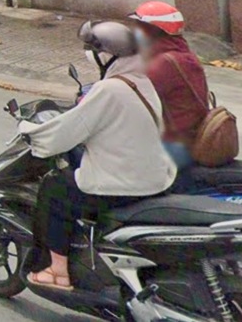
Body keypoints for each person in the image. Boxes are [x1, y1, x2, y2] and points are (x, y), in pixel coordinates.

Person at [19, 19, 177, 291]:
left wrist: (29, 131)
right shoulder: (141, 83)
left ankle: (57, 271)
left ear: (106, 57)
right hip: (156, 179)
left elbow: (64, 133)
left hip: (122, 186)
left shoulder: (109, 90)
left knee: (55, 188)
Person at [134, 0, 214, 174]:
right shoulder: (183, 54)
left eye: (140, 27)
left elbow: (131, 96)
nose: (135, 32)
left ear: (154, 31)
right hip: (191, 138)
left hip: (174, 146)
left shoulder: (163, 63)